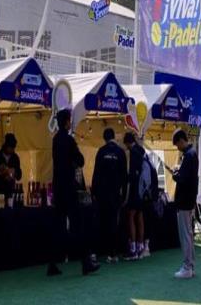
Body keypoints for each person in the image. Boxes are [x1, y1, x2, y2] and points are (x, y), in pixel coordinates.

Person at [47, 109, 100, 277]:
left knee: (58, 226)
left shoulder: (55, 140)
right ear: (66, 122)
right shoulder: (69, 140)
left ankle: (52, 264)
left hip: (58, 188)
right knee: (78, 225)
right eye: (69, 120)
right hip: (69, 188)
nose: (70, 123)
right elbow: (80, 160)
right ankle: (86, 262)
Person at [92, 128, 128, 263]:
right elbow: (125, 176)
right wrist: (124, 194)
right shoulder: (120, 152)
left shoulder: (101, 151)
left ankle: (95, 253)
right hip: (115, 194)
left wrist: (93, 192)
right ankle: (112, 254)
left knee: (99, 222)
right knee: (113, 223)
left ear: (104, 138)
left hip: (101, 194)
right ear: (114, 137)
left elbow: (96, 173)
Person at [172, 130, 199, 279]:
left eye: (177, 144)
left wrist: (176, 175)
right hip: (189, 200)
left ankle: (187, 267)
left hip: (184, 201)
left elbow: (183, 179)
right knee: (188, 234)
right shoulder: (192, 154)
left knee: (185, 236)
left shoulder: (189, 156)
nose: (177, 147)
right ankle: (190, 266)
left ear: (182, 140)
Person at [123, 132, 147, 260]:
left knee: (131, 216)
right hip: (142, 190)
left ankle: (133, 248)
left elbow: (132, 174)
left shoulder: (133, 152)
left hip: (135, 189)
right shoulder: (142, 151)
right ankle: (140, 246)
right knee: (140, 216)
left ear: (127, 142)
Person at [0, 133, 22, 200]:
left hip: (10, 191)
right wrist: (0, 172)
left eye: (13, 148)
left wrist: (14, 172)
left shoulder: (15, 157)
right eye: (10, 147)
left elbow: (19, 176)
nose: (12, 149)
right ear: (5, 146)